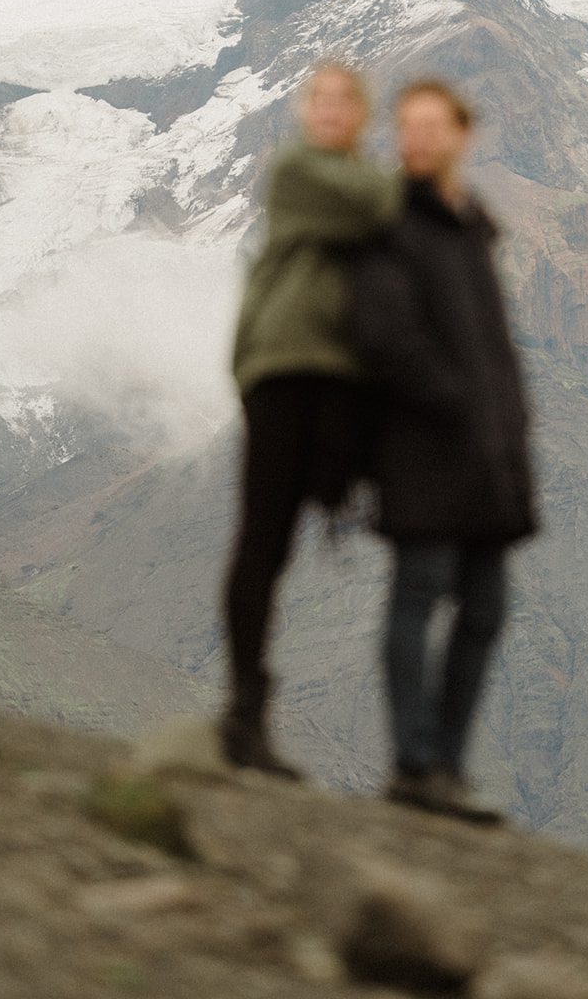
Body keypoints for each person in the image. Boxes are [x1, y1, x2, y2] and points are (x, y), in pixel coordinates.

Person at [350, 79, 538, 822]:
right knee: (419, 591)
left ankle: (448, 768)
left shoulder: (471, 226)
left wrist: (508, 426)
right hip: (422, 449)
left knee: (485, 608)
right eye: (408, 126)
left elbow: (492, 349)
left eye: (432, 125)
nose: (419, 138)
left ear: (463, 133)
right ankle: (415, 765)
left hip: (484, 454)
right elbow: (383, 335)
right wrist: (454, 399)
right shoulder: (391, 223)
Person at [221, 62, 399, 773]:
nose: (330, 109)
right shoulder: (298, 172)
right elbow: (381, 207)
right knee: (263, 536)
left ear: (361, 113)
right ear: (303, 111)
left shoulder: (351, 178)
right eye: (319, 99)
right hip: (284, 364)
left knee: (294, 526)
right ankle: (243, 711)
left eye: (344, 100)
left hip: (337, 379)